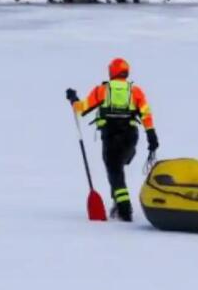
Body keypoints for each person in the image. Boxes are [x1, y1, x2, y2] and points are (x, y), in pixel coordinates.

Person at [66, 58, 159, 221]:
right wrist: (151, 135)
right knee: (120, 165)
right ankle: (118, 200)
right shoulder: (135, 92)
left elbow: (81, 108)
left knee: (114, 171)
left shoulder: (103, 90)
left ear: (112, 72)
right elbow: (146, 114)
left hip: (111, 137)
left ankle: (124, 208)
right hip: (131, 137)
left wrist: (73, 98)